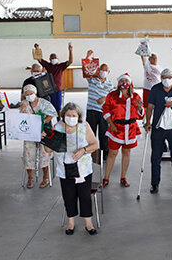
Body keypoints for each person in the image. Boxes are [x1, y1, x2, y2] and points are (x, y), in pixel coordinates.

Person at [43, 103, 99, 235]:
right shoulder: (57, 127)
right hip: (64, 169)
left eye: (74, 115)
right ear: (63, 116)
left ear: (78, 117)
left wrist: (83, 150)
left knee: (85, 196)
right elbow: (48, 150)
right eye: (68, 115)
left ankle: (88, 223)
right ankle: (70, 222)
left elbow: (95, 145)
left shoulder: (84, 126)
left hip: (83, 169)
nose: (71, 117)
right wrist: (45, 140)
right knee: (69, 196)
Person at [144, 68, 172, 194]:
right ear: (161, 78)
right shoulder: (156, 89)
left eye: (169, 77)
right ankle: (155, 184)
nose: (166, 80)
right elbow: (149, 107)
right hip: (158, 128)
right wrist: (148, 122)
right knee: (155, 157)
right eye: (164, 77)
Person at [102, 73, 144, 187]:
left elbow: (140, 115)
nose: (124, 83)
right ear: (118, 83)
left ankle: (123, 177)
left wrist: (140, 107)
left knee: (126, 152)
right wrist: (111, 124)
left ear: (130, 83)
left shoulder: (135, 96)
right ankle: (106, 178)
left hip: (130, 129)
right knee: (112, 153)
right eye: (122, 81)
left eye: (126, 81)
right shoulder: (111, 95)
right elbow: (105, 110)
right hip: (116, 129)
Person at [20, 84, 58, 188]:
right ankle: (30, 178)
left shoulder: (43, 103)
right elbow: (21, 119)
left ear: (35, 93)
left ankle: (46, 177)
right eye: (27, 94)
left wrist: (41, 122)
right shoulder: (24, 104)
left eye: (31, 93)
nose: (29, 96)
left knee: (44, 154)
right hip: (29, 132)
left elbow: (51, 115)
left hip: (43, 131)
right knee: (28, 154)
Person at [86, 62, 113, 163]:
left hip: (103, 111)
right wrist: (88, 57)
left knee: (104, 133)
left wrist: (104, 99)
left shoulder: (110, 83)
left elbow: (112, 97)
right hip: (91, 110)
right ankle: (89, 153)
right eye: (102, 69)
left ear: (108, 72)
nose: (103, 72)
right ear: (98, 70)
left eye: (105, 70)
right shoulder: (92, 79)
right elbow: (86, 69)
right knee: (90, 132)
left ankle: (105, 154)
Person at [39, 42, 74, 111]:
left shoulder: (60, 66)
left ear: (57, 58)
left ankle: (59, 118)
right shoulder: (48, 66)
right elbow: (39, 59)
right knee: (50, 107)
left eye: (55, 57)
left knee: (58, 108)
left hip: (58, 89)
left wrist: (70, 51)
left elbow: (70, 61)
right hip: (49, 90)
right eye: (52, 58)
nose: (53, 59)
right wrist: (37, 49)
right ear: (50, 59)